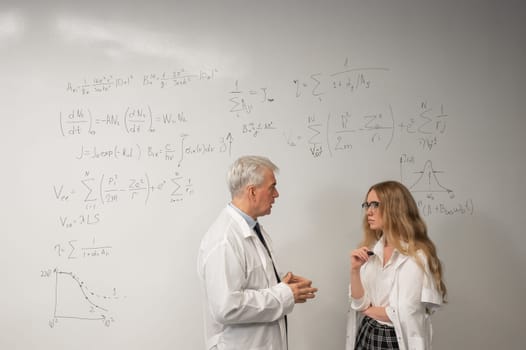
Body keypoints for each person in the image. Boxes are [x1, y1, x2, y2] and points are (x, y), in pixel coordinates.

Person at [197, 155, 318, 350]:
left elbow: (252, 284)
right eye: (272, 187)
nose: (276, 194)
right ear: (252, 192)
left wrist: (282, 284)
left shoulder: (252, 229)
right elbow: (227, 307)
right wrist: (284, 294)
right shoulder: (224, 239)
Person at [346, 180, 447, 350]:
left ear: (395, 208)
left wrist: (368, 310)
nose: (369, 211)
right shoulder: (372, 253)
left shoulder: (416, 257)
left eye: (375, 205)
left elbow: (403, 312)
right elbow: (358, 302)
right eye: (367, 204)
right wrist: (355, 270)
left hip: (393, 341)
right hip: (366, 333)